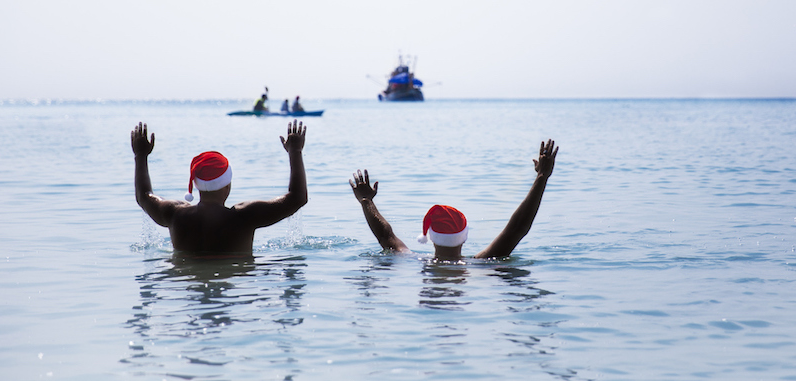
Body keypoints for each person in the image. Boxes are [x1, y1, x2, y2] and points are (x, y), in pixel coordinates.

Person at [349, 139, 558, 261]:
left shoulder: (410, 260)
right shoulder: (481, 265)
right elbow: (517, 229)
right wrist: (542, 177)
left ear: (430, 236)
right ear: (464, 236)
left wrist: (367, 200)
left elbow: (386, 236)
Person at [131, 119, 308, 256]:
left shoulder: (174, 214)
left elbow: (143, 196)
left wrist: (140, 155)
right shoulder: (245, 217)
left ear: (196, 185)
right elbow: (298, 198)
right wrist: (295, 151)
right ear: (227, 185)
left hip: (188, 286)